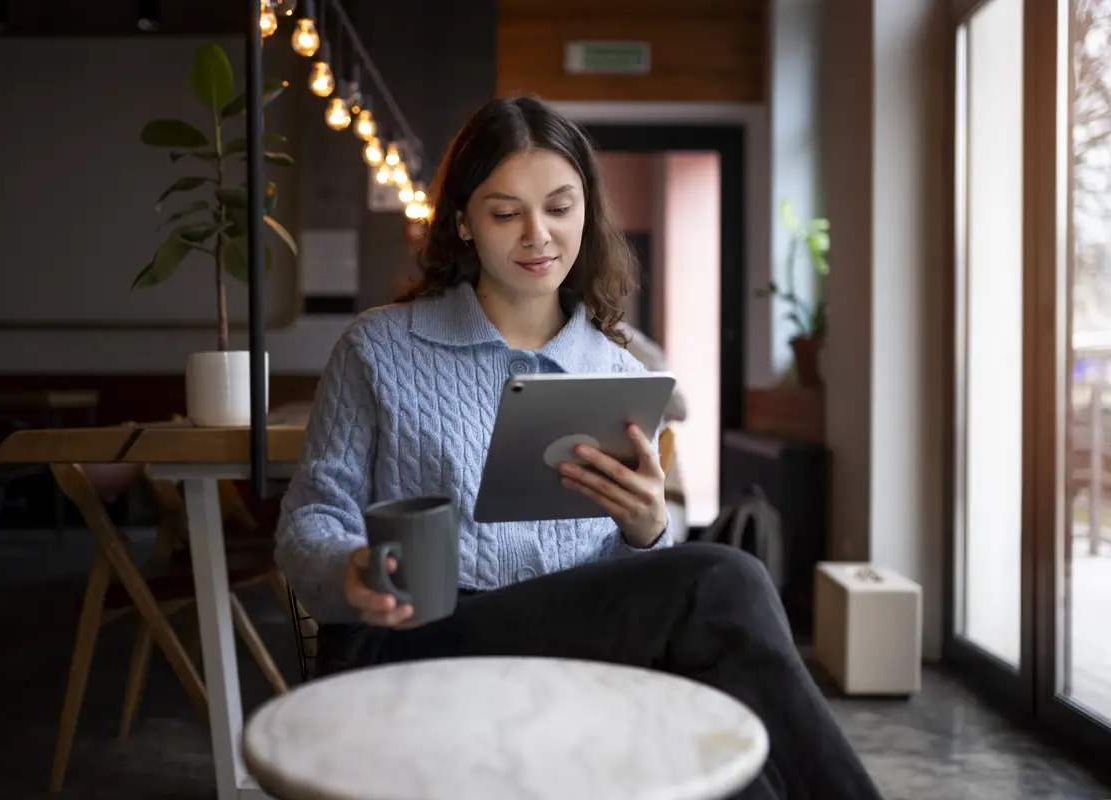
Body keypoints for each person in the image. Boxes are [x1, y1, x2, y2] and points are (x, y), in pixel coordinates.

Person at [276, 96, 882, 800]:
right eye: (505, 213)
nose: (538, 235)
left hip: (566, 646)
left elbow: (626, 580)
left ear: (587, 212)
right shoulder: (380, 347)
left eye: (559, 207)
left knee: (743, 784)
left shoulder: (618, 375)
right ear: (464, 223)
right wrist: (351, 569)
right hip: (413, 637)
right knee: (727, 581)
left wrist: (648, 529)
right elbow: (309, 519)